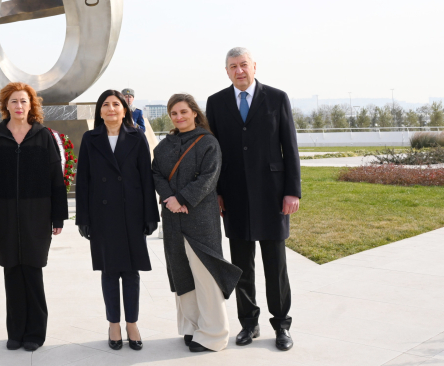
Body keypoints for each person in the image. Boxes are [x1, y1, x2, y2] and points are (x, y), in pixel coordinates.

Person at [206, 48, 301, 351]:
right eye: (233, 66)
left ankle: (281, 325)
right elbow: (214, 153)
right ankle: (249, 323)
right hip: (234, 197)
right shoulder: (216, 102)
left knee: (276, 265)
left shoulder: (277, 98)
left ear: (254, 67)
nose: (239, 71)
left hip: (273, 195)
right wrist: (217, 192)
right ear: (227, 71)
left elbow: (290, 147)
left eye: (244, 65)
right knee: (241, 265)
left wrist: (292, 190)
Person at [152, 93, 242, 353]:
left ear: (194, 112)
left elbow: (209, 177)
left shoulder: (208, 142)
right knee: (182, 273)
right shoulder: (165, 145)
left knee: (206, 275)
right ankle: (192, 328)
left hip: (200, 218)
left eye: (183, 111)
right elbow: (156, 172)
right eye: (174, 113)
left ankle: (214, 334)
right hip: (172, 217)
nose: (179, 117)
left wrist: (181, 198)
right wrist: (168, 197)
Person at [0, 82, 68, 351]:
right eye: (14, 101)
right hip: (3, 215)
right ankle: (15, 332)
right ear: (5, 106)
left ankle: (35, 333)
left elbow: (56, 179)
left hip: (37, 216)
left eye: (23, 101)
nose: (19, 106)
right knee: (11, 274)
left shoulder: (44, 137)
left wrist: (58, 217)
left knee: (32, 272)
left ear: (31, 106)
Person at [75, 89, 158, 351]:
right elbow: (83, 180)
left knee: (131, 272)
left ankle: (131, 323)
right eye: (106, 105)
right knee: (109, 271)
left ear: (125, 110)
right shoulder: (90, 138)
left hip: (132, 213)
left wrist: (150, 215)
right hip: (102, 215)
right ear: (100, 111)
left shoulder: (137, 137)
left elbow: (147, 177)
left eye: (116, 104)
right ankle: (114, 324)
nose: (111, 109)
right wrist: (83, 218)